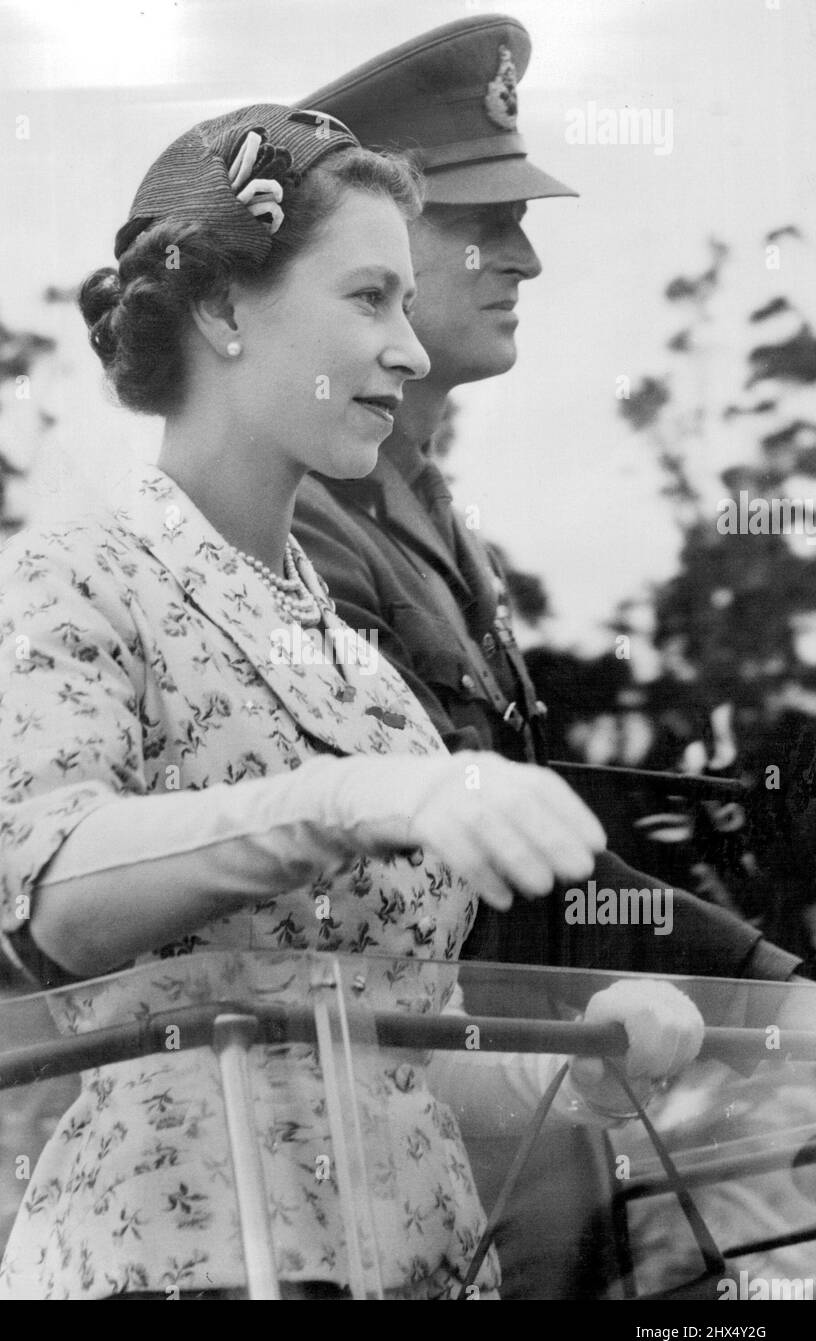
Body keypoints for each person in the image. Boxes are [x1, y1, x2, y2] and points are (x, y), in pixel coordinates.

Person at [0, 102, 705, 1300]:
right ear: (222, 309)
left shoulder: (359, 668)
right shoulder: (69, 577)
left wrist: (584, 1063)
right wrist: (356, 795)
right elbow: (55, 888)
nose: (408, 350)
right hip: (181, 1269)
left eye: (409, 305)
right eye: (370, 299)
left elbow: (402, 1057)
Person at [291, 14, 808, 986]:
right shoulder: (306, 529)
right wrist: (762, 988)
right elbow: (467, 885)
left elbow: (545, 853)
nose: (528, 259)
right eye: (488, 226)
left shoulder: (431, 514)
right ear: (371, 245)